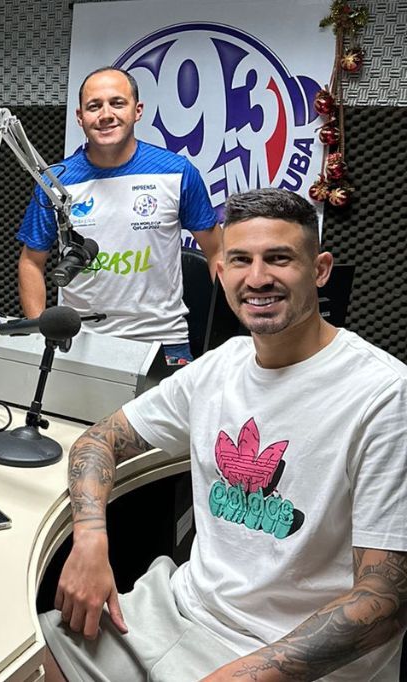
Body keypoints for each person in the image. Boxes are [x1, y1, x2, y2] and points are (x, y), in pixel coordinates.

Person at [40, 188, 407, 681]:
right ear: (221, 270)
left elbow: (384, 599)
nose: (257, 278)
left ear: (319, 270)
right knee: (24, 655)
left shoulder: (384, 395)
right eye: (240, 260)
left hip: (290, 658)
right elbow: (98, 440)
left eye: (279, 259)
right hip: (177, 613)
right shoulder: (220, 366)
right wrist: (88, 541)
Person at [17, 67, 222, 364]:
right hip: (82, 344)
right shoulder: (55, 183)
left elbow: (218, 252)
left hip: (163, 343)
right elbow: (31, 262)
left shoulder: (177, 172)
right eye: (94, 106)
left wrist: (235, 329)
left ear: (137, 111)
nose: (106, 114)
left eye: (117, 103)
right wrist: (42, 333)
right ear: (79, 117)